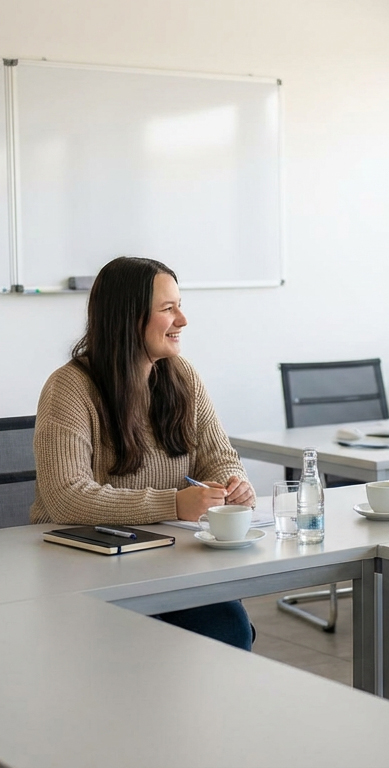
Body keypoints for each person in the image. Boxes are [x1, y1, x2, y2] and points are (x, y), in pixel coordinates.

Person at [32, 256, 256, 650]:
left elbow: (218, 456)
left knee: (227, 628)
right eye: (168, 309)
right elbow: (66, 498)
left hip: (169, 560)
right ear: (127, 318)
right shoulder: (69, 388)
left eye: (180, 305)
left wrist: (232, 486)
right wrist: (174, 503)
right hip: (84, 571)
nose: (182, 320)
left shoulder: (182, 375)